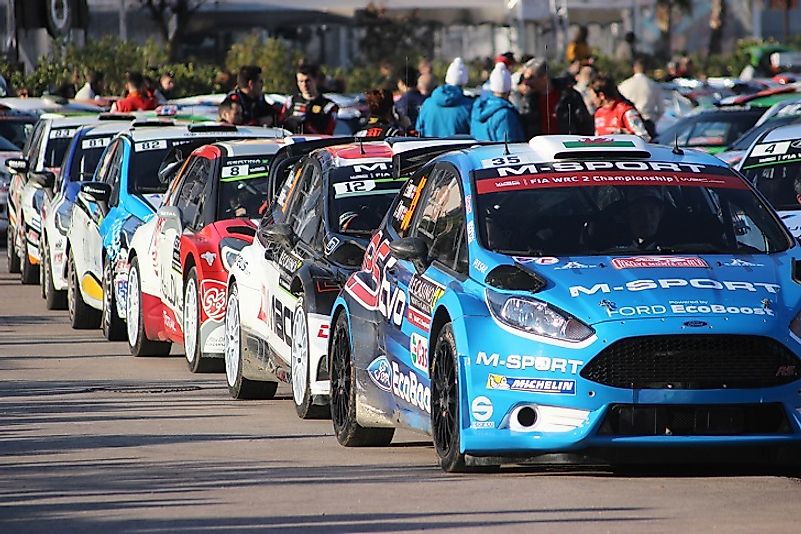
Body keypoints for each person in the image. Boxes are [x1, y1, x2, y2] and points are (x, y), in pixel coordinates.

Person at [523, 58, 594, 136]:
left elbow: (585, 124)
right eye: (524, 78)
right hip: (539, 146)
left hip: (566, 145)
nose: (526, 83)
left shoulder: (570, 96)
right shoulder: (528, 101)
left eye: (530, 78)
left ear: (544, 77)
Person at [416, 57, 473, 137]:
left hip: (430, 148)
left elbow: (419, 131)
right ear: (464, 82)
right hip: (458, 149)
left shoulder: (427, 104)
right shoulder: (469, 106)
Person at [470, 63, 525, 142]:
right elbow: (508, 148)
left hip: (478, 153)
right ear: (509, 90)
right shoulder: (505, 114)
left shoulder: (477, 108)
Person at [280, 64, 338, 135]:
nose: (304, 85)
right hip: (292, 144)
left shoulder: (328, 106)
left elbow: (328, 133)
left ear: (315, 80)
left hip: (316, 144)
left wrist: (306, 124)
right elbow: (280, 126)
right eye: (301, 81)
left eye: (307, 81)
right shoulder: (291, 101)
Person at [590, 74, 650, 140]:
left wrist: (624, 134)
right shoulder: (598, 113)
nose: (591, 100)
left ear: (601, 95)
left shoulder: (625, 111)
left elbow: (644, 137)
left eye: (592, 96)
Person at [618, 57, 664, 138]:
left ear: (634, 68)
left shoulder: (623, 85)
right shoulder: (654, 85)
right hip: (648, 122)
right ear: (646, 69)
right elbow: (661, 110)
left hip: (630, 123)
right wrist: (653, 119)